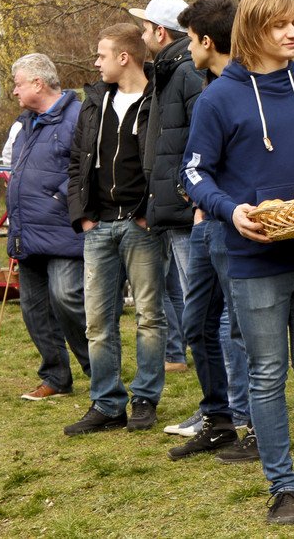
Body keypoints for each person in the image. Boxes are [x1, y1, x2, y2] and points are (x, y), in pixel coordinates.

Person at [182, 0, 294, 525]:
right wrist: (229, 210)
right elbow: (193, 174)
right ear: (253, 30)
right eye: (280, 25)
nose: (293, 32)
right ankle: (281, 487)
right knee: (265, 375)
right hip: (255, 260)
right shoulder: (218, 98)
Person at [64, 23, 167, 436]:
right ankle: (107, 404)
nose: (95, 63)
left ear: (124, 57)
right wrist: (83, 216)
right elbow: (77, 162)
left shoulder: (158, 99)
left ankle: (144, 400)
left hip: (141, 226)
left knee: (149, 317)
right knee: (97, 322)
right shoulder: (94, 102)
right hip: (99, 226)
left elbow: (167, 160)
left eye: (101, 55)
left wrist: (149, 212)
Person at [167, 0, 257, 463]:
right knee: (197, 323)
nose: (187, 47)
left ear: (207, 41)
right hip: (206, 223)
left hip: (234, 226)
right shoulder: (208, 88)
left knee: (242, 330)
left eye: (189, 39)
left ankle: (255, 427)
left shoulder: (247, 89)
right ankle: (218, 420)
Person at [6, 54, 91, 400]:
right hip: (28, 232)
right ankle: (55, 377)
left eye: (18, 84)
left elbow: (85, 169)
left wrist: (58, 199)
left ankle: (99, 369)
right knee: (34, 309)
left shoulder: (78, 117)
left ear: (38, 83)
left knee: (66, 297)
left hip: (62, 228)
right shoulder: (25, 123)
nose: (14, 91)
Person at [130, 0, 204, 374]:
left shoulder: (186, 73)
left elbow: (200, 140)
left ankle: (226, 400)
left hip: (186, 209)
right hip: (174, 207)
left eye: (145, 29)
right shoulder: (169, 71)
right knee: (195, 304)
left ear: (161, 32)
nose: (142, 37)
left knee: (202, 308)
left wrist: (185, 193)